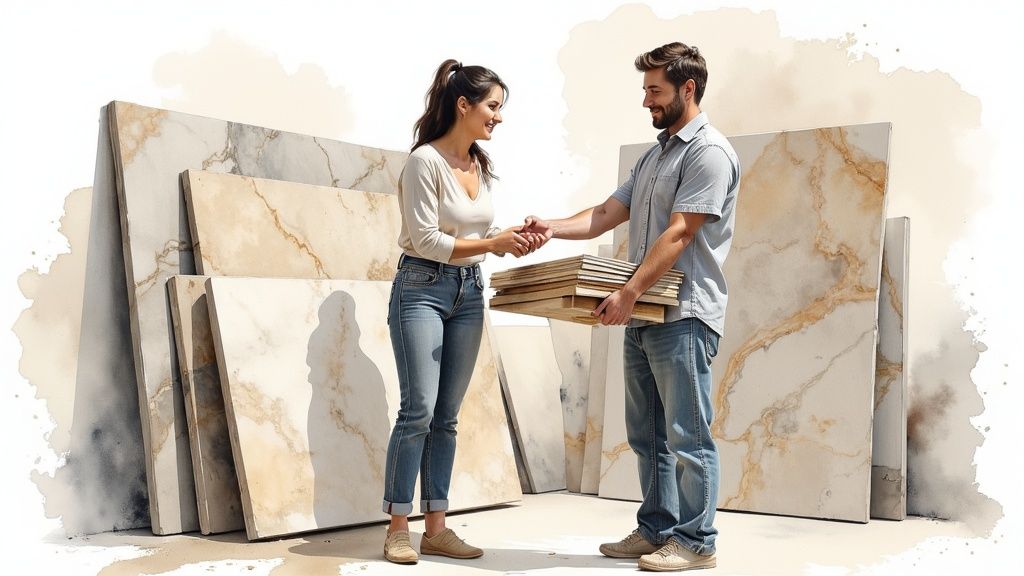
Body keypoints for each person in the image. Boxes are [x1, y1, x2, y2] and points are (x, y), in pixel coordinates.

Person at [522, 42, 740, 572]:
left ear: (688, 89)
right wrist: (551, 228)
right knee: (648, 435)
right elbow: (603, 213)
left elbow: (680, 234)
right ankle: (656, 529)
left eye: (654, 90)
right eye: (645, 90)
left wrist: (628, 292)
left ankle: (697, 542)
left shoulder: (707, 153)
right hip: (645, 315)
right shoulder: (656, 154)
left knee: (688, 434)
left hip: (683, 312)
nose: (646, 101)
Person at [381, 58, 538, 565]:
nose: (499, 117)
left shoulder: (479, 165)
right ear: (463, 105)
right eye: (493, 106)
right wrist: (493, 243)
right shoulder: (424, 162)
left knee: (446, 417)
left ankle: (437, 529)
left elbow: (473, 236)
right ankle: (397, 529)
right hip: (421, 288)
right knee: (418, 411)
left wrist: (512, 240)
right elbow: (426, 240)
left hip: (469, 293)